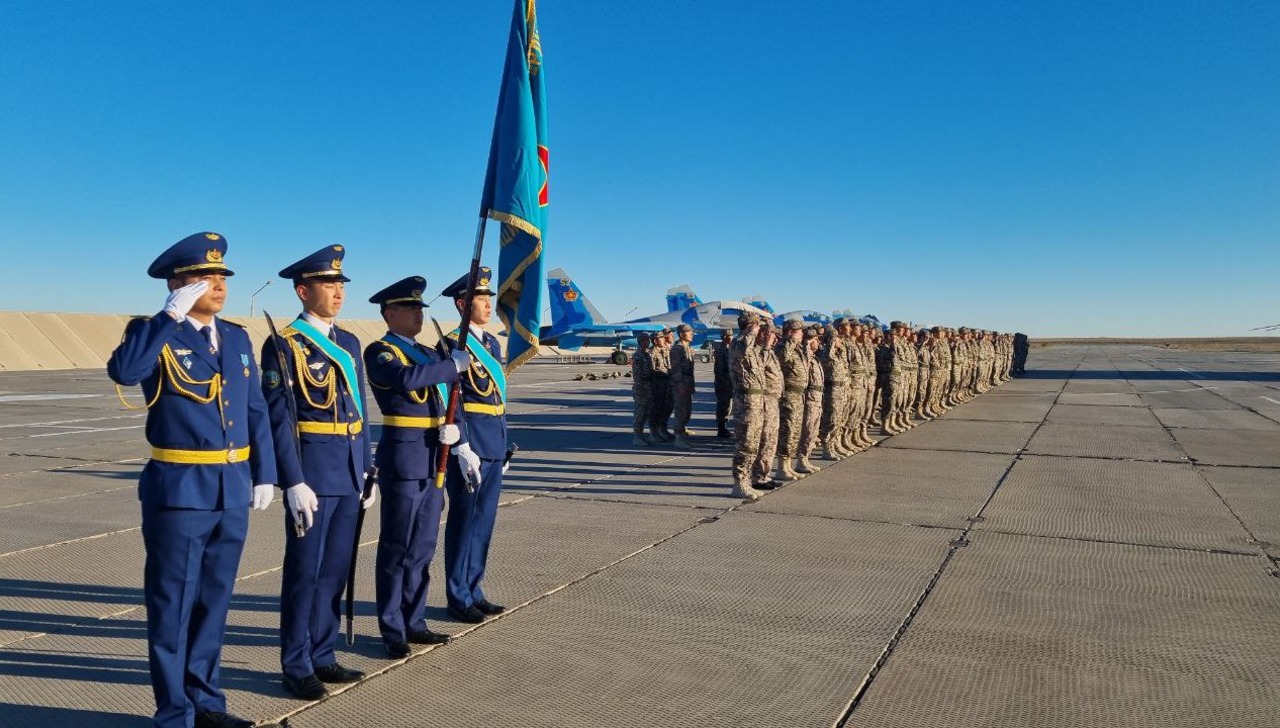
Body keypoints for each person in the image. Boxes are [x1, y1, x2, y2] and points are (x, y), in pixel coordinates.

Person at [108, 232, 278, 728]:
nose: (220, 285)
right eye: (207, 276)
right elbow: (125, 371)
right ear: (177, 283)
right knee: (172, 608)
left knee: (213, 604)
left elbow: (256, 412)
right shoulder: (154, 332)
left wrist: (264, 473)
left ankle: (206, 704)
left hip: (231, 489)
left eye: (223, 276)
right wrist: (168, 316)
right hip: (180, 490)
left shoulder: (238, 339)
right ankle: (173, 714)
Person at [261, 245, 374, 701]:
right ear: (303, 290)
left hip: (348, 474)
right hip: (312, 476)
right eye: (329, 285)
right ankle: (296, 663)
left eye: (341, 285)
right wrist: (292, 480)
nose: (338, 292)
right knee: (304, 574)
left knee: (334, 572)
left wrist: (368, 469)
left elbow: (361, 411)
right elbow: (278, 418)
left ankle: (323, 654)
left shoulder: (349, 344)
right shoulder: (284, 344)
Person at [362, 276, 472, 658]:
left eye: (420, 309)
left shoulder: (428, 352)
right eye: (410, 309)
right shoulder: (381, 352)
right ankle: (392, 628)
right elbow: (406, 380)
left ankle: (415, 620)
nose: (417, 314)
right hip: (404, 461)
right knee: (397, 547)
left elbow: (446, 396)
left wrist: (454, 430)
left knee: (423, 548)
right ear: (390, 313)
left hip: (434, 458)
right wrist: (450, 367)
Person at [441, 267, 508, 624]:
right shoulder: (452, 344)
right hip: (471, 448)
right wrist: (462, 446)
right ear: (462, 304)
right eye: (480, 299)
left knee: (484, 522)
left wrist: (503, 446)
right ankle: (458, 595)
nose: (487, 304)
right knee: (465, 522)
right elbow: (454, 401)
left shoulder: (492, 344)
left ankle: (474, 587)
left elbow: (496, 399)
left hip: (494, 444)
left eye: (488, 298)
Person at [774, 319, 807, 480]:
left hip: (798, 396)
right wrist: (790, 340)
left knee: (794, 432)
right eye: (799, 332)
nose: (802, 335)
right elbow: (782, 359)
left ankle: (788, 466)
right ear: (791, 332)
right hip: (788, 396)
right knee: (787, 431)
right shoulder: (782, 346)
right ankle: (781, 468)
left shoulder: (798, 348)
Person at [795, 325, 824, 473]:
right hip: (810, 399)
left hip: (817, 398)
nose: (818, 342)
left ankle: (806, 458)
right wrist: (806, 344)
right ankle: (801, 460)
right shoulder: (804, 356)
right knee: (807, 430)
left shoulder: (814, 357)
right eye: (815, 340)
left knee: (813, 431)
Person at [648, 328, 674, 442]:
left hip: (667, 384)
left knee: (667, 407)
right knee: (656, 408)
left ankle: (663, 429)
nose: (664, 339)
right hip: (657, 385)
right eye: (661, 338)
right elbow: (651, 371)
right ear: (655, 341)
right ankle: (653, 432)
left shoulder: (665, 350)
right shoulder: (652, 353)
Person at [630, 333, 655, 446]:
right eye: (646, 340)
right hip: (641, 387)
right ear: (641, 341)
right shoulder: (638, 355)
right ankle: (637, 436)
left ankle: (645, 435)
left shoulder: (646, 354)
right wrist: (641, 388)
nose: (648, 342)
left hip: (649, 386)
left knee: (647, 412)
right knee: (640, 412)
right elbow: (637, 374)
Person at [711, 329, 734, 437]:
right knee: (723, 405)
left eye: (731, 335)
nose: (729, 338)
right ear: (723, 337)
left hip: (730, 381)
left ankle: (724, 427)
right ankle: (721, 428)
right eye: (727, 336)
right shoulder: (720, 350)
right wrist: (722, 381)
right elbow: (719, 369)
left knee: (729, 406)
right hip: (723, 382)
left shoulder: (732, 348)